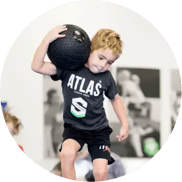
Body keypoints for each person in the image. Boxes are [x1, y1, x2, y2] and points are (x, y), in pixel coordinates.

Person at [31, 25, 129, 181]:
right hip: (74, 128)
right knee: (67, 154)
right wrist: (47, 40)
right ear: (89, 50)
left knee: (100, 172)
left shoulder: (106, 77)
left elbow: (116, 99)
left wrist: (124, 123)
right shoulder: (70, 68)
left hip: (99, 130)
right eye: (101, 57)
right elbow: (37, 66)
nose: (103, 65)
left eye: (109, 62)